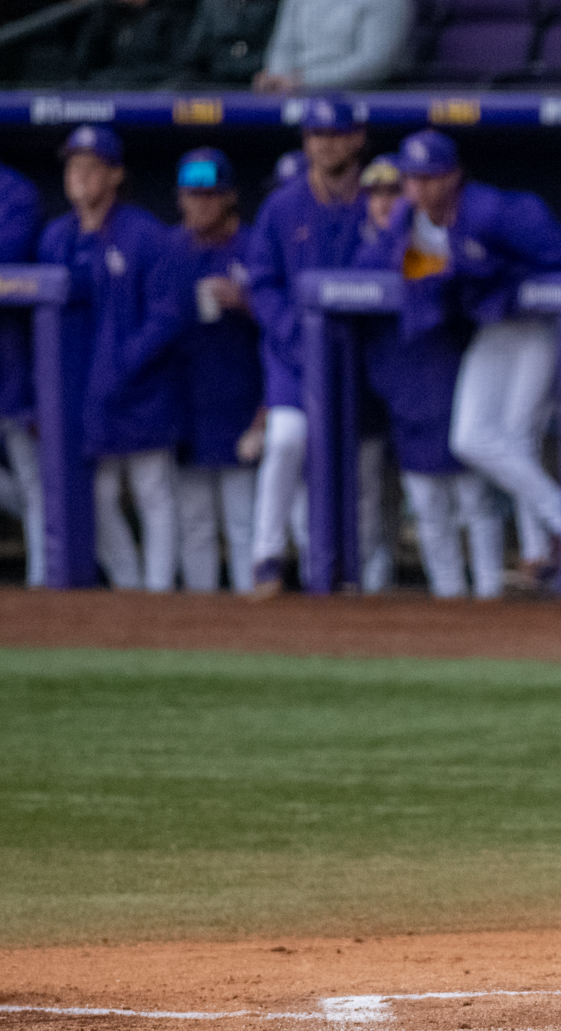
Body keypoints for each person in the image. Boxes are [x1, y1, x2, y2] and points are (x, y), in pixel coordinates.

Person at [396, 130, 561, 588]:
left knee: (518, 433)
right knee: (471, 439)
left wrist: (502, 278)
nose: (420, 189)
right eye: (412, 178)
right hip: (494, 329)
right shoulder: (412, 223)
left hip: (536, 324)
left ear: (453, 176)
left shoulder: (495, 210)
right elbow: (412, 284)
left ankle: (543, 550)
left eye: (430, 178)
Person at [40, 127, 193, 593]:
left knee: (154, 493)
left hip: (142, 391)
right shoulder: (56, 238)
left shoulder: (145, 235)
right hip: (80, 395)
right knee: (96, 498)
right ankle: (128, 587)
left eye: (91, 167)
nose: (80, 176)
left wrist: (124, 364)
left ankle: (160, 591)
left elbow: (169, 316)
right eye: (73, 167)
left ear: (115, 174)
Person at [355, 162, 503, 602]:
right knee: (430, 511)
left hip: (457, 388)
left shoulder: (438, 239)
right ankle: (449, 598)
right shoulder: (365, 252)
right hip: (409, 399)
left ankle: (492, 595)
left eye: (394, 192)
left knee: (476, 504)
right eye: (376, 194)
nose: (386, 202)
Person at [242, 97, 367, 597]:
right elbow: (261, 281)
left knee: (364, 471)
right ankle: (267, 557)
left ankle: (352, 574)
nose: (326, 143)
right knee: (287, 440)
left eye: (335, 134)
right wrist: (295, 335)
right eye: (316, 135)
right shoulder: (283, 205)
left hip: (359, 360)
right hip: (294, 359)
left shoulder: (378, 200)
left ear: (356, 138)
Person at [170, 148, 263, 594]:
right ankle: (201, 626)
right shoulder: (169, 249)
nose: (200, 204)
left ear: (229, 197)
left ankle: (250, 626)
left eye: (210, 194)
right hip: (187, 404)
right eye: (192, 195)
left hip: (243, 400)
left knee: (244, 522)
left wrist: (245, 301)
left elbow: (284, 321)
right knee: (195, 524)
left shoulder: (254, 246)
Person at [0, 157, 41, 588]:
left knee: (33, 478)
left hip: (12, 361)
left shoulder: (15, 191)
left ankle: (43, 579)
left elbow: (9, 254)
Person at [254, 0, 411, 91]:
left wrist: (303, 81)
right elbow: (283, 45)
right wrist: (276, 76)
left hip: (354, 95)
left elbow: (375, 64)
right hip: (292, 89)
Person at [177, 0, 282, 86]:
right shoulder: (213, 4)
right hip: (215, 83)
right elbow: (194, 56)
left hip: (258, 84)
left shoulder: (277, 5)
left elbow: (279, 53)